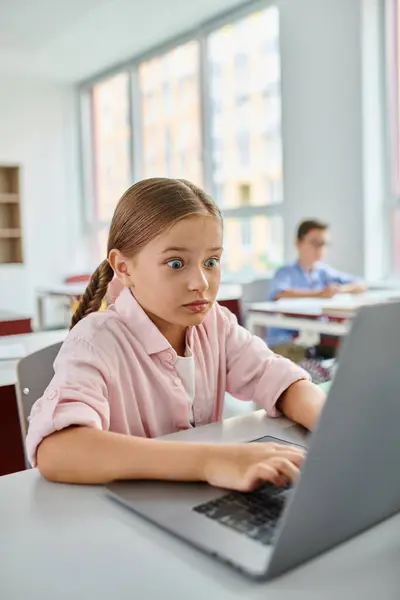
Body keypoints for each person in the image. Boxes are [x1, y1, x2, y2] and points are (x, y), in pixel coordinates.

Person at [27, 179, 326, 492]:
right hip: (123, 515)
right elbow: (56, 449)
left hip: (192, 501)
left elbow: (280, 378)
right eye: (175, 263)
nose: (200, 282)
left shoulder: (215, 324)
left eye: (211, 262)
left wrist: (333, 430)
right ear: (124, 267)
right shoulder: (96, 340)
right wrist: (211, 461)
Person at [266, 219, 366, 361]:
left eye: (323, 244)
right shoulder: (285, 272)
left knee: (351, 352)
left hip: (316, 338)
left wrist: (340, 290)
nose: (319, 248)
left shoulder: (323, 272)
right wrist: (320, 294)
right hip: (287, 342)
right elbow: (279, 294)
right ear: (298, 243)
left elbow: (360, 285)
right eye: (314, 243)